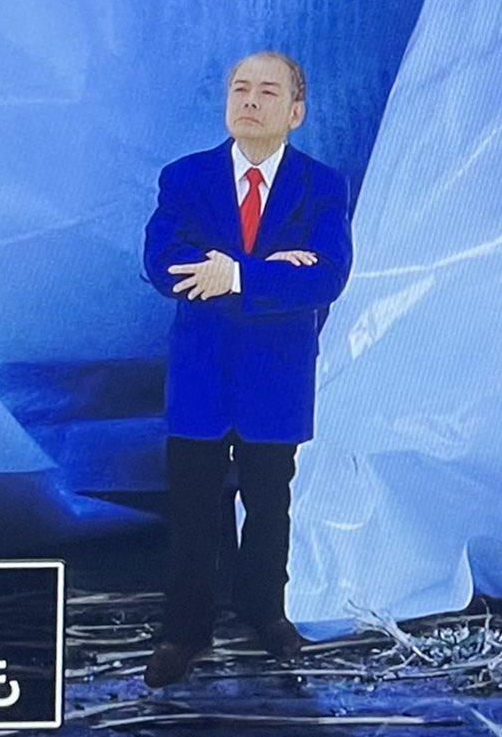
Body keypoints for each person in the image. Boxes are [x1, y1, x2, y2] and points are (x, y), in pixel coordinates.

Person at [140, 52, 353, 687]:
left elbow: (327, 276)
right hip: (202, 373)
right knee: (193, 507)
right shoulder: (186, 178)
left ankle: (265, 613)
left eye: (267, 92)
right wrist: (272, 273)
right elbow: (162, 263)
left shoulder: (322, 186)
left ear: (296, 111)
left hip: (275, 375)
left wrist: (233, 273)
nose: (250, 102)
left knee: (269, 502)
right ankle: (184, 630)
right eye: (240, 89)